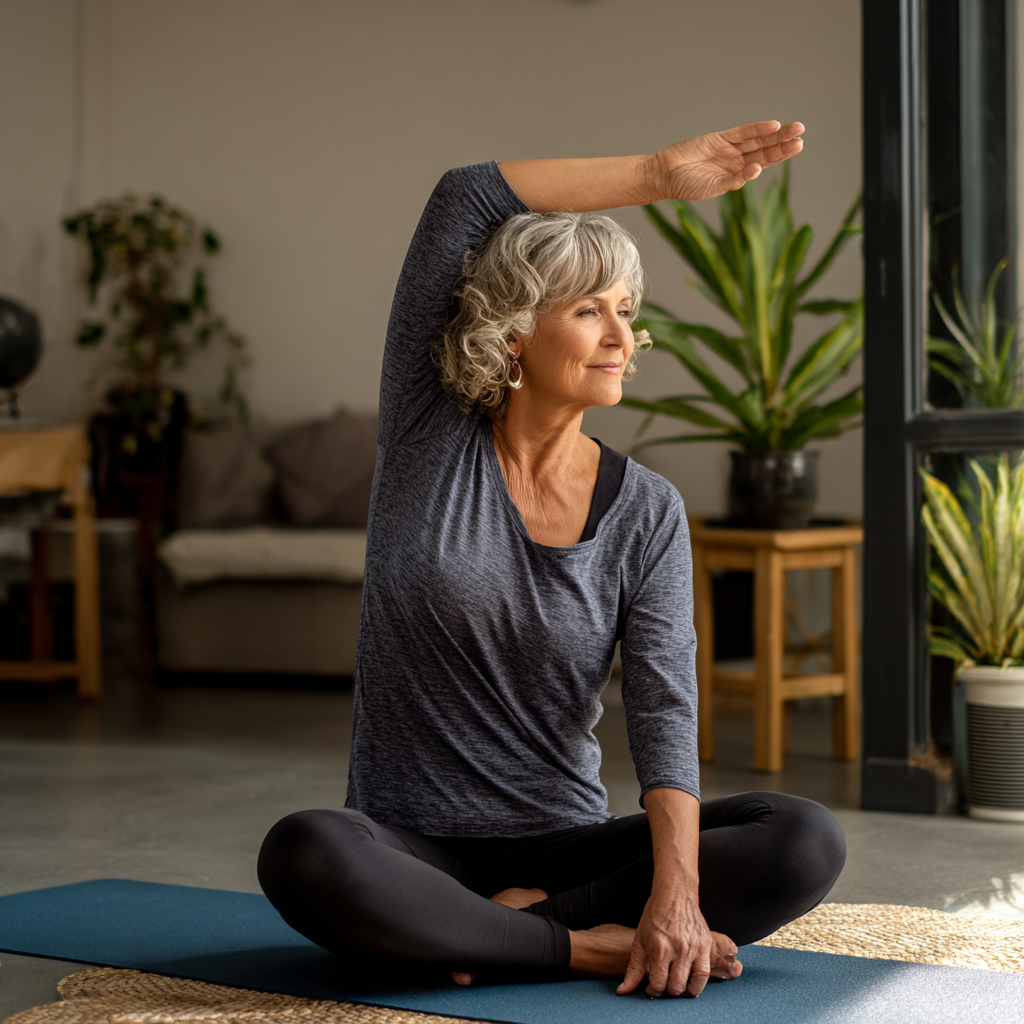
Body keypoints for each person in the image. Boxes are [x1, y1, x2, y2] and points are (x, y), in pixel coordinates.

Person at [258, 121, 847, 1000]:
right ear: (511, 337)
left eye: (626, 311)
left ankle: (491, 935)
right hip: (413, 844)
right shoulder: (430, 437)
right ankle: (577, 948)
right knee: (306, 850)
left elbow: (662, 707)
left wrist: (676, 900)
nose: (621, 336)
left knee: (803, 837)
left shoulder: (646, 509)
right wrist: (658, 174)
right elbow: (465, 194)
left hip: (570, 848)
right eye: (586, 309)